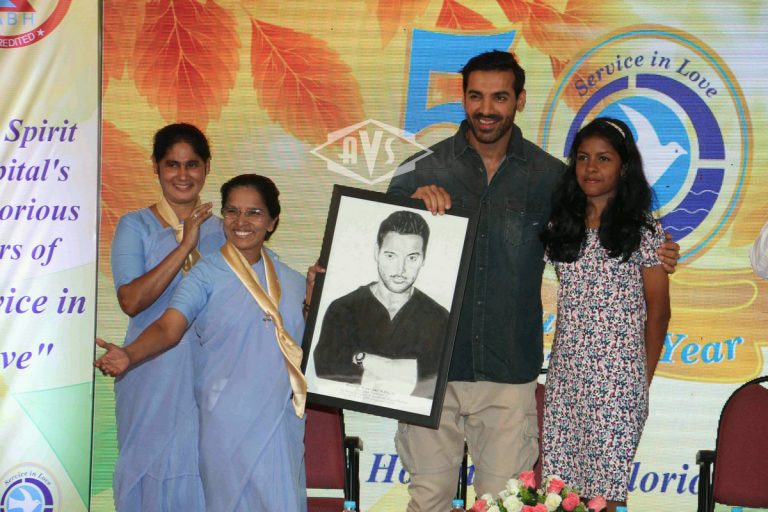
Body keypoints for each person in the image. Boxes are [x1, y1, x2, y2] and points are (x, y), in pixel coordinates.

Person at [386, 50, 679, 511]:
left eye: (500, 97)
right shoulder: (418, 171)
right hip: (430, 367)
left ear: (520, 100)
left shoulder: (552, 179)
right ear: (462, 98)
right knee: (428, 499)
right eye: (476, 96)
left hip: (509, 370)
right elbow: (372, 251)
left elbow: (602, 228)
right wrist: (406, 207)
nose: (487, 109)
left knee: (506, 503)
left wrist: (656, 246)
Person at [97, 174, 309, 512]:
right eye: (232, 211)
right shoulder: (205, 274)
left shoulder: (295, 284)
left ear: (272, 222)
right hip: (224, 421)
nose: (241, 222)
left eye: (254, 213)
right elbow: (168, 327)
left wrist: (316, 300)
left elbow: (316, 346)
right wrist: (129, 354)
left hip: (277, 420)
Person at [540, 117, 670, 512]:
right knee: (561, 494)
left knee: (605, 498)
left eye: (603, 158)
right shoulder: (560, 226)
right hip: (566, 376)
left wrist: (640, 380)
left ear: (624, 167)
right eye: (583, 158)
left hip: (619, 383)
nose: (591, 168)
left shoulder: (644, 231)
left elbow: (659, 312)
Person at [108, 123, 221, 511]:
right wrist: (185, 244)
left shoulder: (226, 230)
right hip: (149, 369)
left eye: (192, 164)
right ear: (155, 167)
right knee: (147, 473)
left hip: (211, 374)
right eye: (172, 164)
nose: (183, 175)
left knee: (206, 474)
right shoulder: (135, 225)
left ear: (207, 167)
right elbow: (131, 300)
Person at [313, 210, 448, 398]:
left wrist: (361, 359)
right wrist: (402, 371)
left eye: (412, 257)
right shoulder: (343, 309)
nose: (401, 269)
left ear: (423, 258)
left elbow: (433, 384)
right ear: (377, 252)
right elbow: (326, 370)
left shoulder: (439, 318)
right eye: (391, 255)